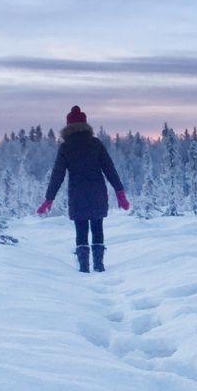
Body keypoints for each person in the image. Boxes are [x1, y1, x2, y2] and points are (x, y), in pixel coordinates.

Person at [37, 105, 130, 272]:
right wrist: (119, 192)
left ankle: (84, 267)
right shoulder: (95, 144)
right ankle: (99, 265)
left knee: (81, 230)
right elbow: (109, 168)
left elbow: (57, 175)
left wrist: (49, 199)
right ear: (85, 125)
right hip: (97, 193)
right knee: (97, 227)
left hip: (77, 194)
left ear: (68, 127)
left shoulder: (66, 147)